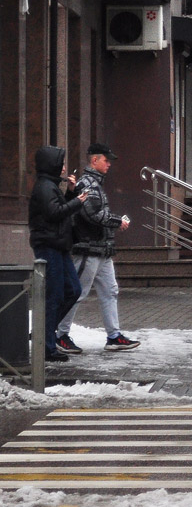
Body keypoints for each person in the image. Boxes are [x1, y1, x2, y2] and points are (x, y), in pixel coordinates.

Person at [56, 143, 139, 353]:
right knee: (77, 292)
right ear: (95, 160)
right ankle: (60, 334)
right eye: (106, 160)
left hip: (100, 249)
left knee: (110, 291)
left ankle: (114, 336)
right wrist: (117, 221)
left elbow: (93, 213)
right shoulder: (89, 184)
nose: (109, 164)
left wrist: (113, 223)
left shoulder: (93, 184)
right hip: (89, 248)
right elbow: (91, 214)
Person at [28, 145, 87, 363]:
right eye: (61, 163)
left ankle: (44, 333)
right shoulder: (44, 187)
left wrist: (71, 193)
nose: (64, 167)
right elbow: (54, 213)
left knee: (73, 289)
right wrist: (77, 201)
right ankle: (46, 346)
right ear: (52, 164)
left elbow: (57, 208)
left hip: (59, 246)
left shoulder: (51, 186)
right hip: (49, 246)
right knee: (54, 296)